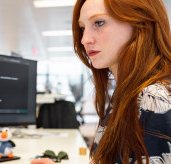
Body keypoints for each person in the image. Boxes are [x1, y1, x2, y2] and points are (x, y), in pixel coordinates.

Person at [31, 0, 171, 163]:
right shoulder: (128, 94)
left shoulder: (153, 97)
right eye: (83, 28)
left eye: (99, 23)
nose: (84, 39)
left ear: (141, 23)